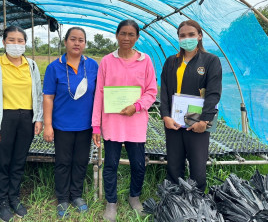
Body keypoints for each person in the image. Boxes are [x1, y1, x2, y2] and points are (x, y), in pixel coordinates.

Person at [91, 19, 157, 222]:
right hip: (112, 123)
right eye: (123, 34)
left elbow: (151, 91)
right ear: (117, 35)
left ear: (137, 37)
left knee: (138, 164)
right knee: (110, 164)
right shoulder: (107, 61)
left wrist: (136, 107)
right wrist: (96, 125)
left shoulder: (145, 61)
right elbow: (99, 94)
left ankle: (134, 197)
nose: (126, 38)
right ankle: (111, 202)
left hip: (135, 124)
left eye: (131, 34)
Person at [0, 26, 43, 221]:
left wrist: (38, 117)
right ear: (4, 42)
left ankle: (14, 197)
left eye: (20, 41)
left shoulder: (31, 65)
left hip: (26, 118)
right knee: (3, 161)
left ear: (25, 43)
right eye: (12, 40)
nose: (16, 44)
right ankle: (3, 201)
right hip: (4, 119)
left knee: (18, 160)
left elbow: (38, 95)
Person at [160, 19, 222, 192]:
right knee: (174, 163)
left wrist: (204, 121)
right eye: (182, 36)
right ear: (178, 38)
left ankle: (197, 201)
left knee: (197, 165)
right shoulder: (171, 61)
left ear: (199, 36)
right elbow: (164, 91)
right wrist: (165, 115)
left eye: (191, 35)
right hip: (174, 119)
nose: (186, 38)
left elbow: (213, 93)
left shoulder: (211, 61)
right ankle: (173, 200)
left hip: (197, 119)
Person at [43, 27, 98, 218]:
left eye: (81, 40)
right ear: (65, 42)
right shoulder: (54, 67)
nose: (77, 43)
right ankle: (62, 198)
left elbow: (99, 96)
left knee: (81, 161)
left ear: (85, 44)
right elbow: (48, 97)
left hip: (85, 125)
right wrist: (48, 125)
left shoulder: (92, 66)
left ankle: (76, 195)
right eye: (73, 39)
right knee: (63, 162)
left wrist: (98, 124)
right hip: (62, 125)